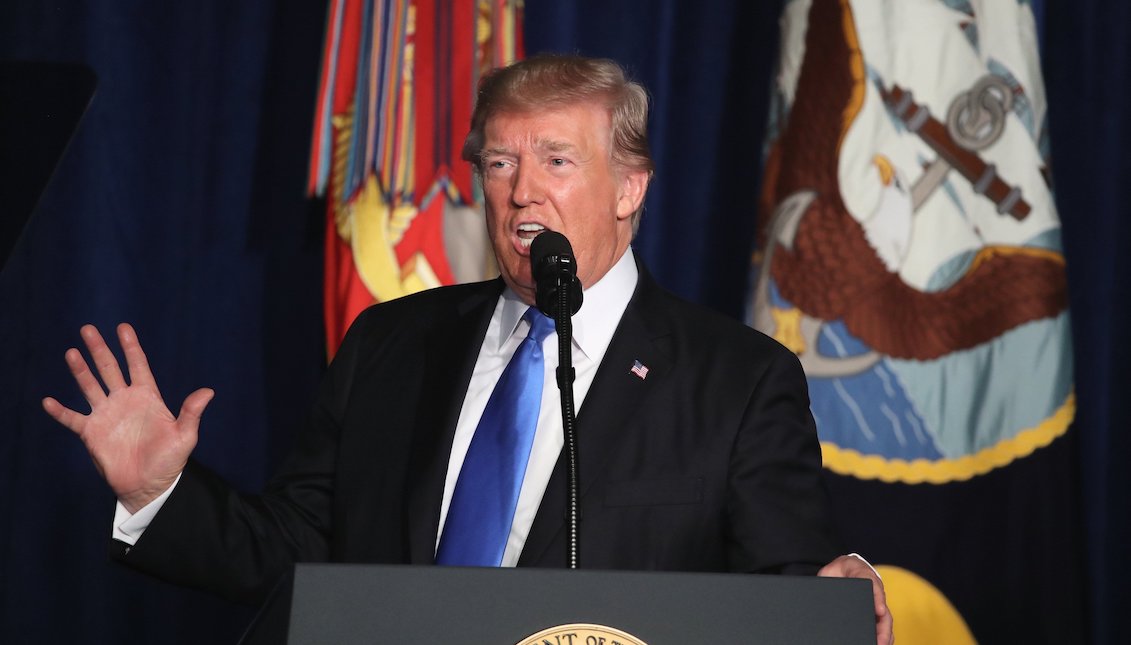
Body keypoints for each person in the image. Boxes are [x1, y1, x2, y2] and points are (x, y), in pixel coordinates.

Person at [43, 54, 892, 644]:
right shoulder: (391, 342)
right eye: (498, 162)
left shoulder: (737, 381)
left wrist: (836, 589)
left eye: (556, 160)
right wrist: (165, 492)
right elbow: (299, 556)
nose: (522, 191)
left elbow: (787, 594)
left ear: (630, 187)